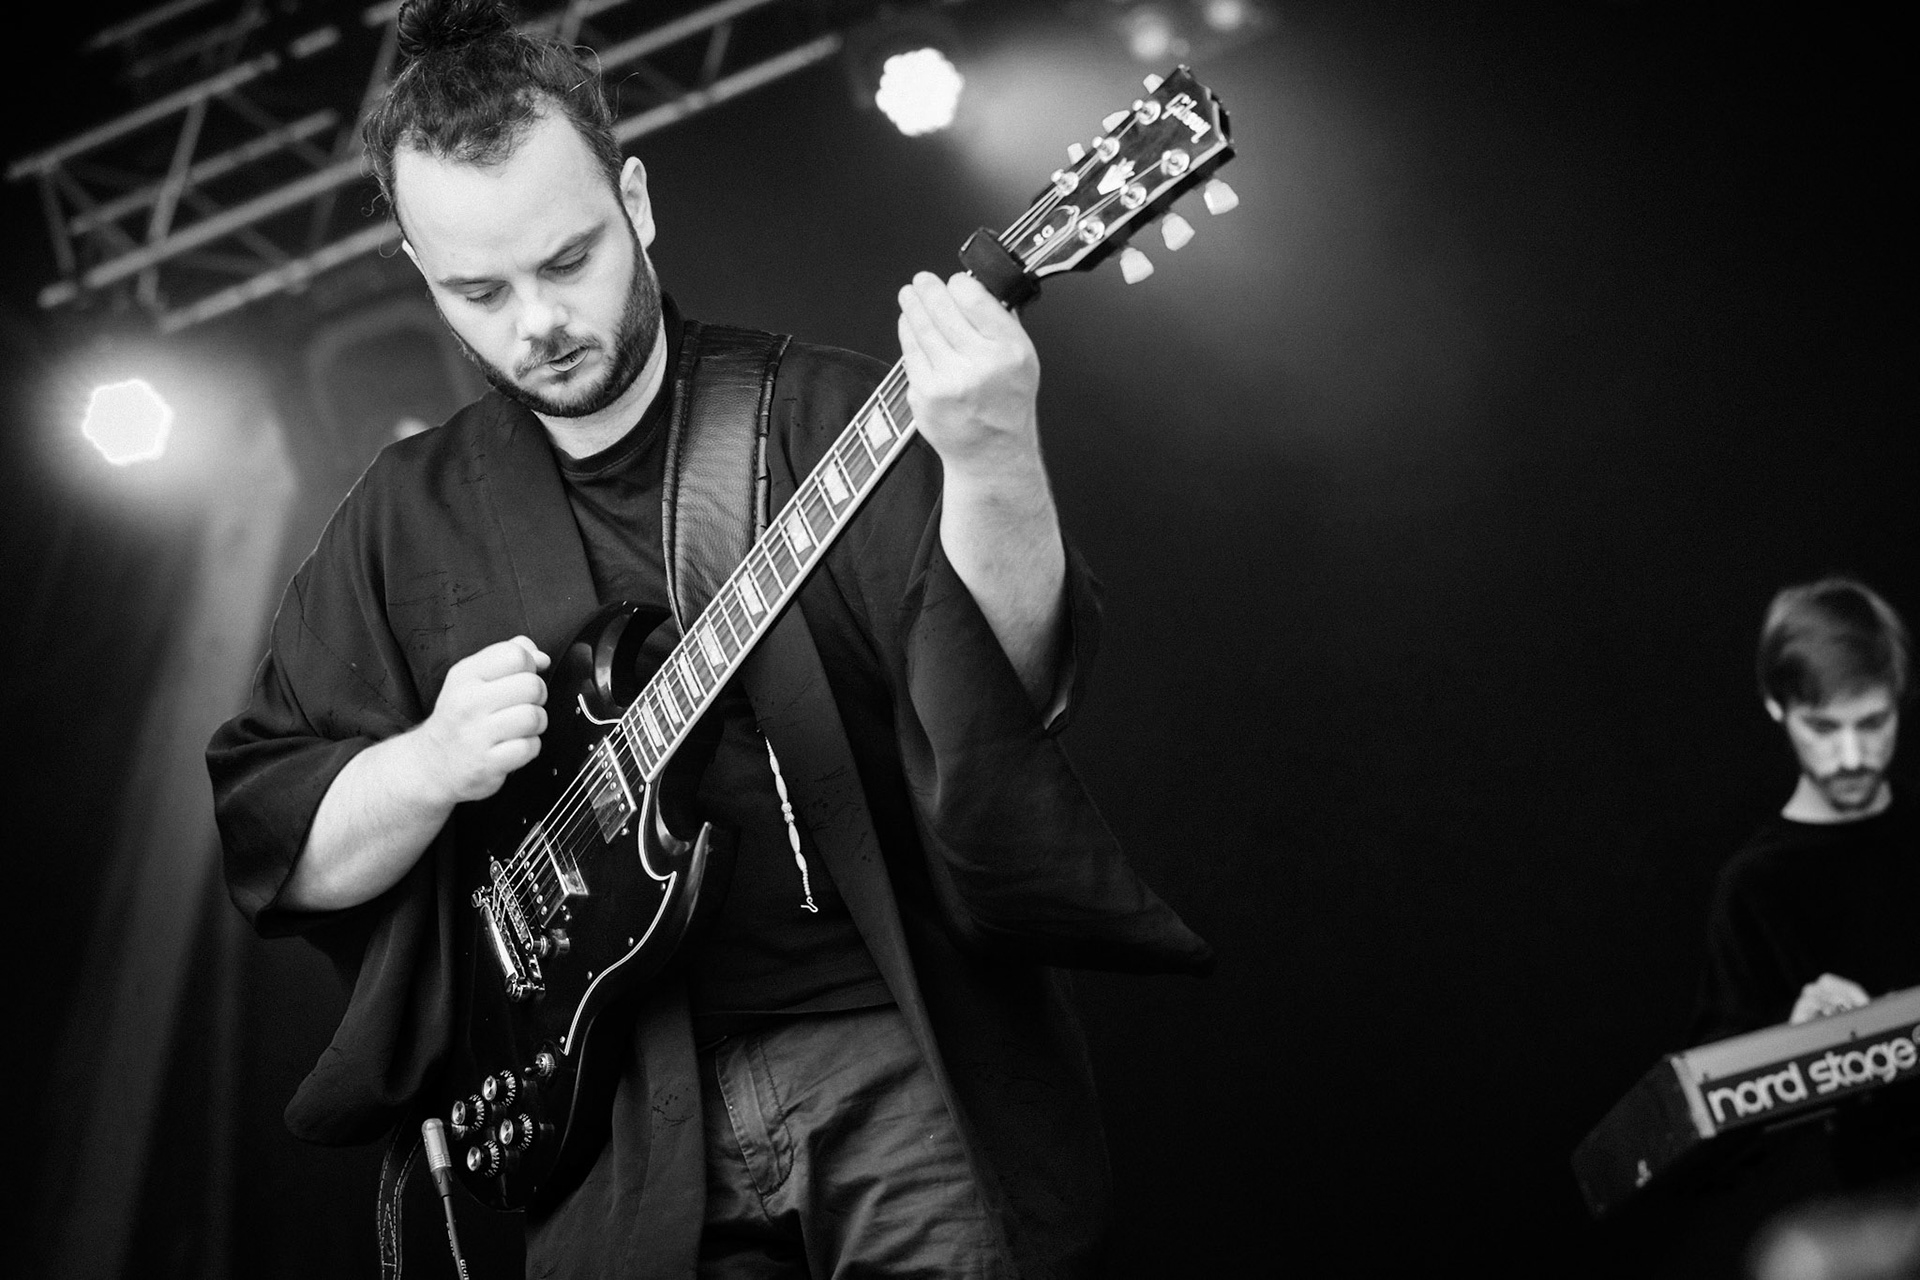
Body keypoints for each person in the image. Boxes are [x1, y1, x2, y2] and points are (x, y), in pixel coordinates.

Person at [206, 2, 1211, 1277]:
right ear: (419, 269)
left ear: (635, 200)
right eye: (479, 290)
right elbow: (277, 844)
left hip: (891, 1064)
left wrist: (997, 454)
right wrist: (429, 763)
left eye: (568, 259)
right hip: (613, 1139)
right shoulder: (400, 522)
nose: (536, 321)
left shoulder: (824, 413)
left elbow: (1011, 698)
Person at [1691, 576, 1918, 1045]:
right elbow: (1716, 1071)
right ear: (1776, 706)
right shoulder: (1752, 888)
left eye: (1873, 722)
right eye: (1823, 728)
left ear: (1899, 700)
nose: (1852, 757)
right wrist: (1796, 1040)